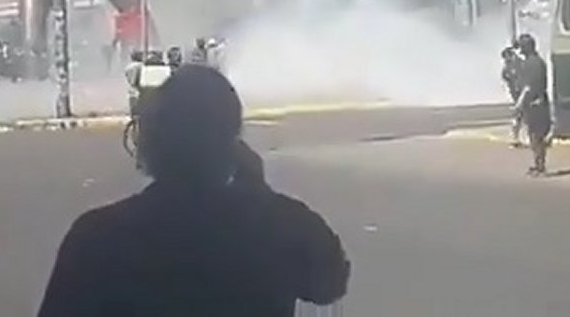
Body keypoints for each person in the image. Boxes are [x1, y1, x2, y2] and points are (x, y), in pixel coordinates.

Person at [38, 65, 350, 316]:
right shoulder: (280, 227)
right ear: (231, 143)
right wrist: (258, 194)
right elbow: (330, 282)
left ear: (149, 142)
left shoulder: (98, 238)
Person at [515, 34, 552, 176]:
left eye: (522, 47)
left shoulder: (532, 63)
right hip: (538, 101)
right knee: (535, 136)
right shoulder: (537, 62)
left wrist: (519, 103)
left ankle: (540, 166)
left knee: (536, 136)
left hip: (536, 103)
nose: (521, 51)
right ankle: (538, 164)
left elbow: (529, 87)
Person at [501, 45, 524, 147]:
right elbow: (506, 78)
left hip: (522, 93)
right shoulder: (508, 68)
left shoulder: (518, 64)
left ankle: (517, 137)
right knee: (519, 115)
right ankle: (515, 137)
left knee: (521, 116)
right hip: (518, 94)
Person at [124, 50, 144, 115]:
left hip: (132, 91)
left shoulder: (128, 67)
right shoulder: (142, 66)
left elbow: (128, 77)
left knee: (133, 111)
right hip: (141, 90)